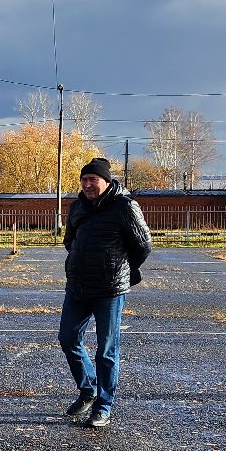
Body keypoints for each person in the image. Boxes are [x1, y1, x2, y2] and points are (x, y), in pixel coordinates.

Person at [58, 158, 153, 429]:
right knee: (68, 338)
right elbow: (70, 241)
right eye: (84, 180)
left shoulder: (125, 206)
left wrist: (121, 267)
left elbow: (143, 245)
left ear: (106, 181)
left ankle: (103, 405)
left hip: (110, 290)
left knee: (106, 351)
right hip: (78, 287)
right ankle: (88, 389)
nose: (88, 185)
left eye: (93, 180)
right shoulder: (77, 207)